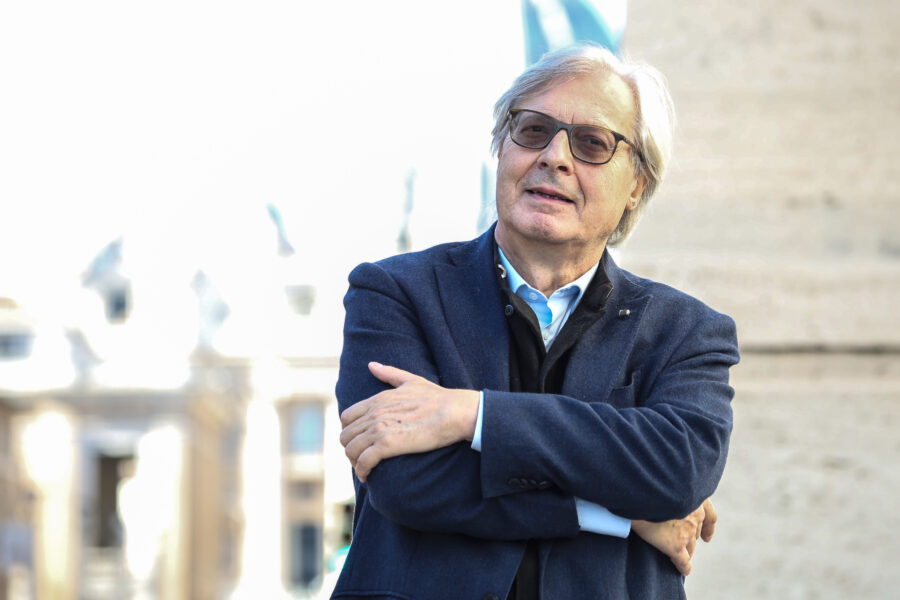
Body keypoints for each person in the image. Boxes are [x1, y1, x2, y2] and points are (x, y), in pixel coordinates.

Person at [333, 43, 739, 600]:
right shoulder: (394, 293)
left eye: (592, 143)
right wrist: (621, 514)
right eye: (533, 130)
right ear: (501, 147)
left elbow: (679, 469)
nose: (555, 156)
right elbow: (408, 481)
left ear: (637, 185)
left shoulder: (686, 332)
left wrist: (472, 415)